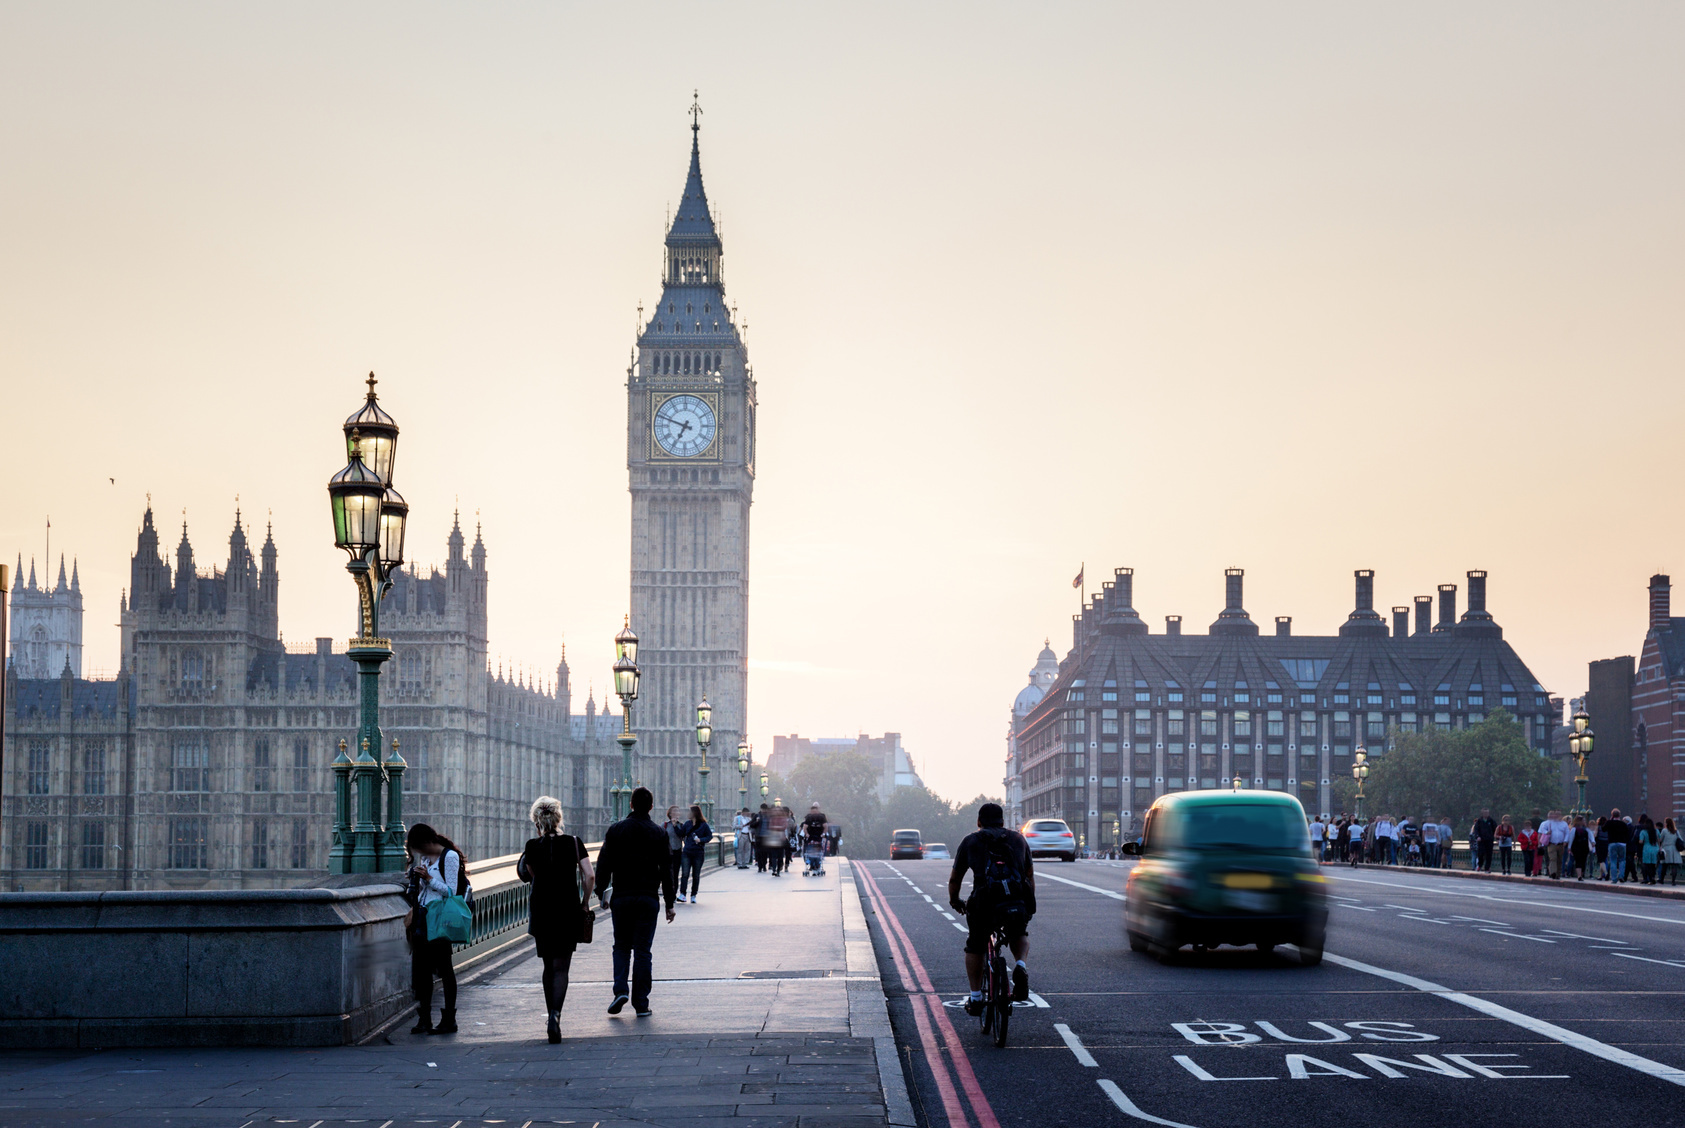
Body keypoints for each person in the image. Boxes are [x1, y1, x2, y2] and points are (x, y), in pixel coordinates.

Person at [595, 786, 677, 1017]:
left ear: (630, 804)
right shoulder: (658, 833)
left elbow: (603, 865)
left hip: (621, 897)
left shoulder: (616, 830)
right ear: (651, 806)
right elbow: (666, 871)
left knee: (621, 946)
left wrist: (602, 893)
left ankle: (620, 989)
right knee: (642, 951)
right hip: (648, 899)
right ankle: (640, 1002)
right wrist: (669, 903)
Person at [518, 795, 595, 1043]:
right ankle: (556, 1016)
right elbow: (590, 876)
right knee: (562, 967)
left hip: (541, 910)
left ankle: (549, 1013)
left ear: (537, 821)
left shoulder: (531, 846)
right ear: (559, 818)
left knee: (547, 967)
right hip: (567, 910)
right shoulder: (574, 842)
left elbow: (532, 876)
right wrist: (584, 902)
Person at [947, 802, 1036, 1014]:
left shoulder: (970, 841)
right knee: (1018, 933)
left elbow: (955, 879)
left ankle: (976, 998)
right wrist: (1029, 904)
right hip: (1015, 902)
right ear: (1003, 821)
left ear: (979, 822)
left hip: (984, 904)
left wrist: (955, 900)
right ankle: (1021, 966)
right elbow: (1029, 875)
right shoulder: (1017, 839)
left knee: (975, 946)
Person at [404, 823, 468, 1035]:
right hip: (423, 917)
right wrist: (416, 877)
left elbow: (451, 891)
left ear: (427, 843)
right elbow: (425, 890)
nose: (418, 853)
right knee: (422, 971)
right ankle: (425, 1020)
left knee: (445, 969)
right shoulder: (425, 859)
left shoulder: (449, 857)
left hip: (440, 919)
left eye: (418, 847)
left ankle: (449, 1019)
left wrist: (429, 879)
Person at [679, 804, 712, 902]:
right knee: (684, 874)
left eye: (690, 811)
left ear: (694, 813)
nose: (688, 813)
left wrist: (700, 840)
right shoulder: (687, 824)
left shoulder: (704, 825)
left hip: (698, 853)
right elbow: (681, 834)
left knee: (696, 875)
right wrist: (674, 824)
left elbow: (709, 836)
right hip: (687, 852)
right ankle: (682, 894)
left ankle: (693, 895)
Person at [663, 806, 688, 902]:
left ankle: (673, 895)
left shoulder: (681, 826)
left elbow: (684, 838)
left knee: (675, 874)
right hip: (666, 852)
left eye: (677, 811)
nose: (676, 813)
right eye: (674, 811)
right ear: (669, 814)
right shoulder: (664, 825)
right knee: (667, 874)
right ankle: (668, 894)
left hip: (677, 852)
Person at [1605, 808, 1630, 883]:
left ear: (1612, 815)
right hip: (1622, 844)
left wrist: (1610, 820)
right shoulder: (1623, 824)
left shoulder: (1609, 822)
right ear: (1620, 815)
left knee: (1613, 861)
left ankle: (1614, 878)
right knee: (1622, 860)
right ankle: (1621, 876)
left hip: (1612, 843)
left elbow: (1603, 829)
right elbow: (1627, 834)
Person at [1636, 815, 1660, 885]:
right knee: (1653, 864)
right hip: (1655, 848)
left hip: (1646, 849)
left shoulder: (1643, 832)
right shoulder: (1656, 831)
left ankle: (1648, 878)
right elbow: (1659, 840)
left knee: (1646, 864)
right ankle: (1653, 877)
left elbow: (1640, 841)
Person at [1660, 818, 1682, 886]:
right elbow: (1680, 839)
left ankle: (1662, 880)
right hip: (1674, 849)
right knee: (1674, 866)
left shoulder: (1664, 830)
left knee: (1664, 866)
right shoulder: (1676, 831)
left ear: (1666, 823)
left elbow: (1660, 839)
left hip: (1666, 849)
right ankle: (1673, 881)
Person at [1569, 815, 1591, 881]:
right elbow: (1571, 838)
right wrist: (1569, 847)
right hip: (1576, 846)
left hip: (1584, 847)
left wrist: (1593, 842)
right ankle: (1579, 875)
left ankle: (1581, 874)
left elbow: (1590, 836)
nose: (1584, 821)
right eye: (1583, 820)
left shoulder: (1586, 829)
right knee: (1578, 860)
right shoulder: (1574, 829)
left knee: (1583, 861)